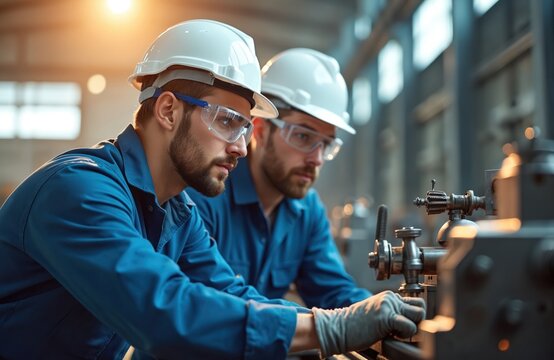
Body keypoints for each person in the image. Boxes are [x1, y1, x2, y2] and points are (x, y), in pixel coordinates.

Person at [0, 20, 425, 359]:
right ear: (168, 109)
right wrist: (330, 330)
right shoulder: (79, 190)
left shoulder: (177, 213)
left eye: (244, 126)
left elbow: (235, 294)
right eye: (226, 121)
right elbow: (164, 312)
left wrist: (356, 319)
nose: (241, 146)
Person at [187, 48, 371, 309]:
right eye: (303, 136)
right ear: (260, 130)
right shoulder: (206, 192)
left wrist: (376, 310)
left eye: (326, 144)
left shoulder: (308, 211)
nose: (316, 159)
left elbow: (334, 292)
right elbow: (210, 306)